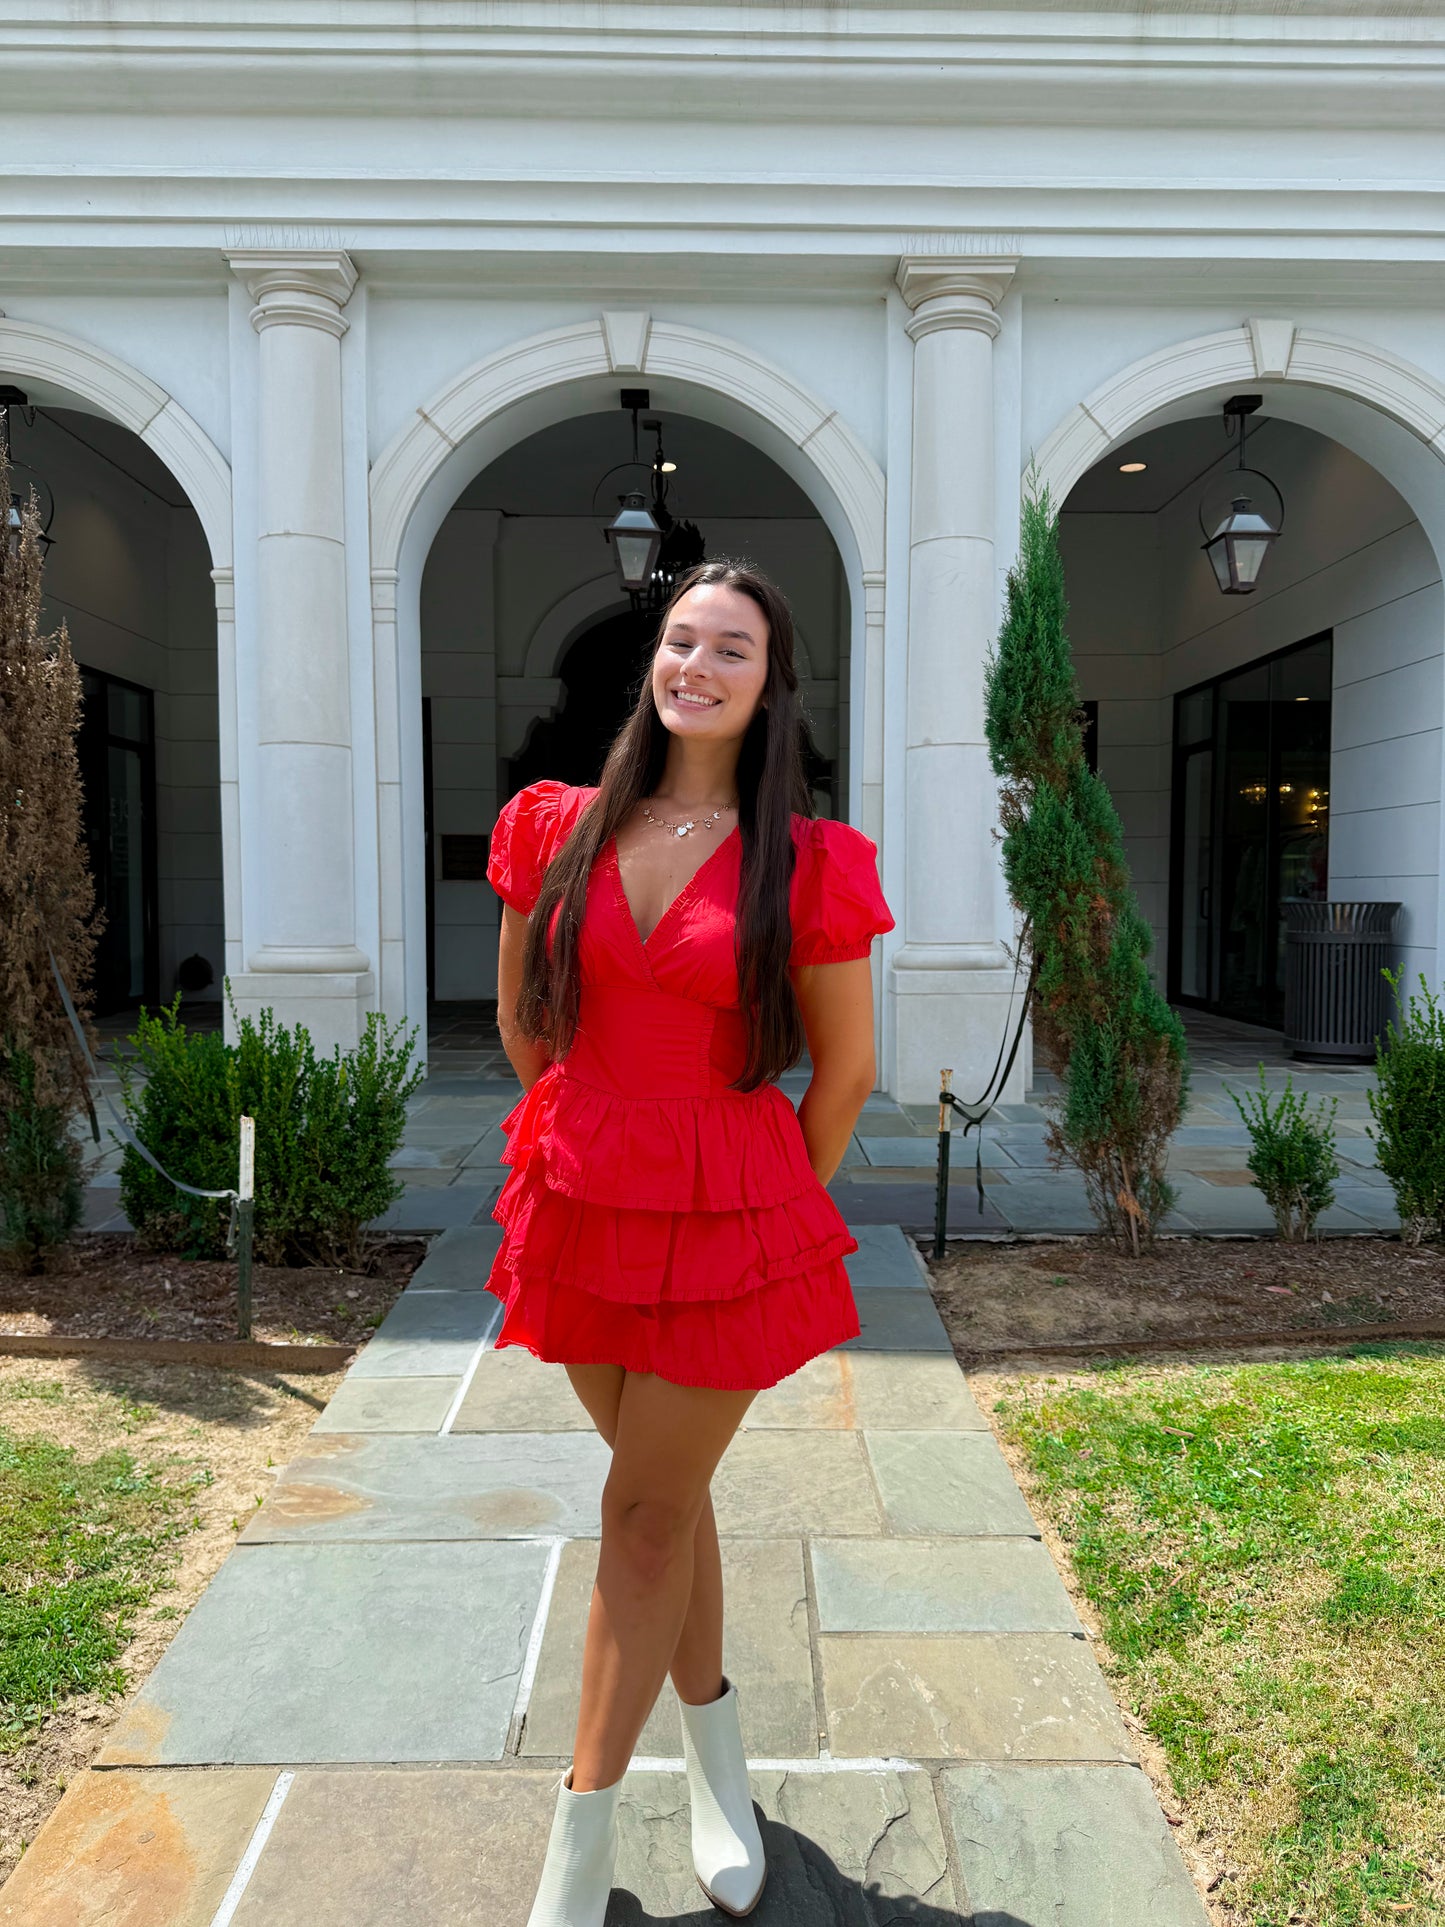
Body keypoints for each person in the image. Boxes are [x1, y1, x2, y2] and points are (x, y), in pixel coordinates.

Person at [486, 558, 895, 1925]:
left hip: (732, 1209)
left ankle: (580, 1837)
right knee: (664, 1501)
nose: (698, 667)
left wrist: (767, 1213)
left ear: (769, 683)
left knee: (643, 1513)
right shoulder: (558, 828)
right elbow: (525, 1026)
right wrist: (572, 1135)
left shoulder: (809, 860)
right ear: (651, 662)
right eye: (681, 642)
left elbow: (840, 1074)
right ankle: (717, 1754)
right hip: (586, 1197)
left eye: (732, 649)